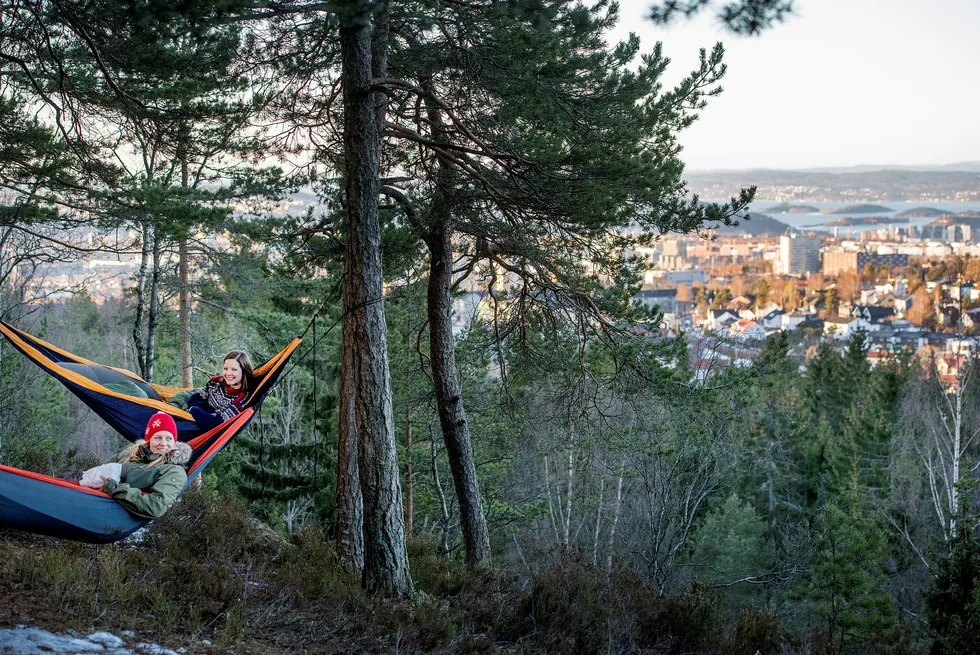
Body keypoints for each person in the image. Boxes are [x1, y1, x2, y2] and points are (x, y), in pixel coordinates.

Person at [81, 412, 192, 519]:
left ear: (174, 442)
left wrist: (114, 489)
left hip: (128, 522)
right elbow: (103, 472)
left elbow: (157, 506)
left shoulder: (174, 471)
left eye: (169, 438)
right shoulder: (128, 455)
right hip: (97, 507)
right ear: (149, 440)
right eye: (158, 438)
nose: (163, 443)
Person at [169, 350, 257, 431]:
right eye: (226, 369)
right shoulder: (215, 382)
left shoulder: (241, 399)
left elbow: (216, 424)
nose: (228, 373)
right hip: (197, 405)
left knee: (177, 426)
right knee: (178, 399)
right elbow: (194, 399)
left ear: (244, 371)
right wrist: (197, 409)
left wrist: (195, 410)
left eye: (234, 370)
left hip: (202, 417)